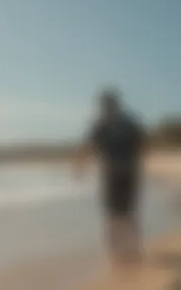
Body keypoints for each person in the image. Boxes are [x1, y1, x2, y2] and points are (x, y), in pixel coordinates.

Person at [74, 89, 148, 267]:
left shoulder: (126, 124)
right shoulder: (102, 126)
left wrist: (79, 165)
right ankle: (117, 252)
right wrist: (79, 165)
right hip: (115, 175)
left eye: (107, 105)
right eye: (104, 106)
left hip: (127, 174)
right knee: (113, 214)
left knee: (125, 213)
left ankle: (131, 250)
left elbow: (142, 145)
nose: (105, 109)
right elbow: (88, 147)